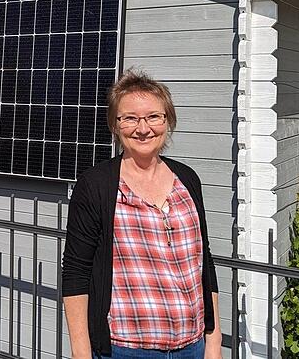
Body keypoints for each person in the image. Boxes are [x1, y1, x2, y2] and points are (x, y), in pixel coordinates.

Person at [61, 70, 221, 359]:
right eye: (130, 118)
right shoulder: (96, 185)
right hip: (125, 349)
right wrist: (81, 352)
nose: (143, 128)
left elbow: (203, 263)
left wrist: (213, 339)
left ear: (167, 121)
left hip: (192, 347)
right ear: (115, 124)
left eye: (153, 117)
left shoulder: (187, 179)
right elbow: (76, 272)